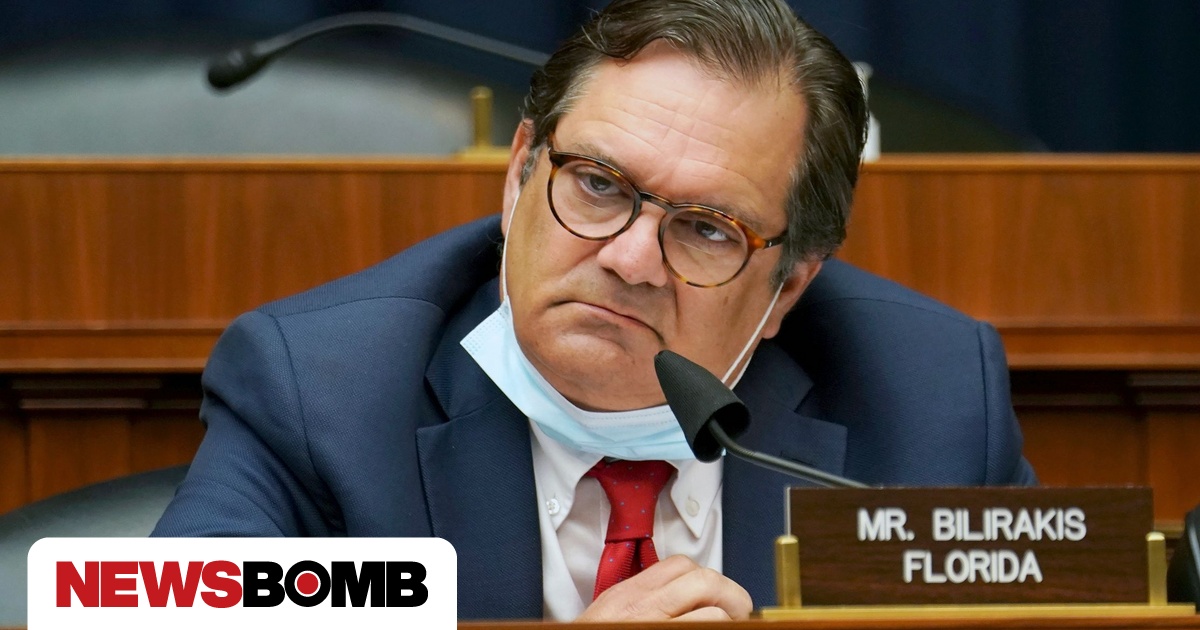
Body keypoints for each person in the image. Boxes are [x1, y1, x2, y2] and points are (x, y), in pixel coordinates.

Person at [154, 0, 1037, 621]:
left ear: (789, 289)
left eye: (707, 228)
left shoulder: (927, 407)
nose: (629, 259)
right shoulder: (325, 392)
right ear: (518, 177)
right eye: (599, 185)